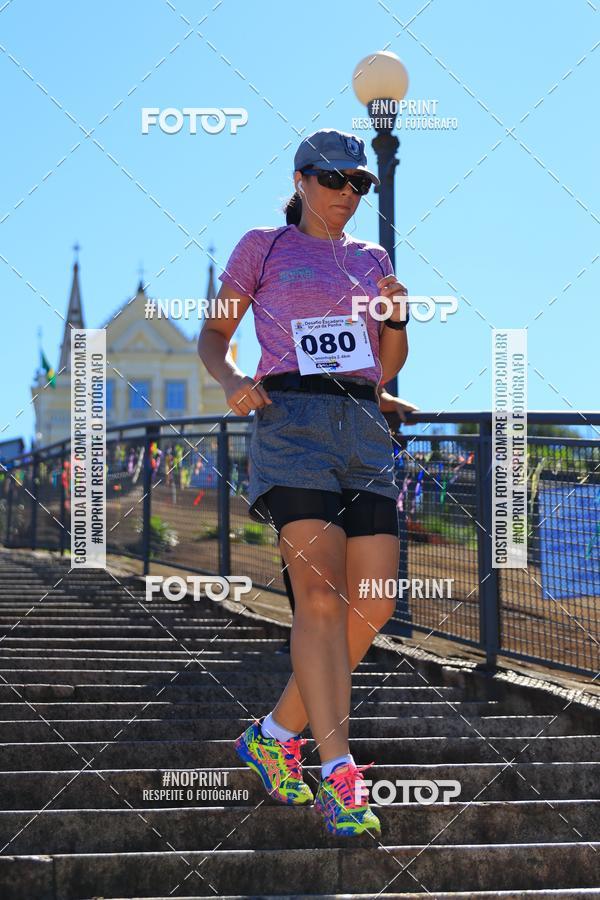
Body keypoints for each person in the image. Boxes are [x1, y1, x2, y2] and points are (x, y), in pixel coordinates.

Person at [198, 127, 409, 837]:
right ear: (300, 179)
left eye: (361, 183)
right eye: (334, 179)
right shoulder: (264, 245)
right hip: (289, 423)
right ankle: (339, 775)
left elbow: (385, 362)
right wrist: (231, 380)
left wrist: (399, 317)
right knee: (318, 601)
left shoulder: (372, 257)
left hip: (361, 425)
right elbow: (214, 336)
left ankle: (273, 734)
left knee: (373, 602)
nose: (348, 193)